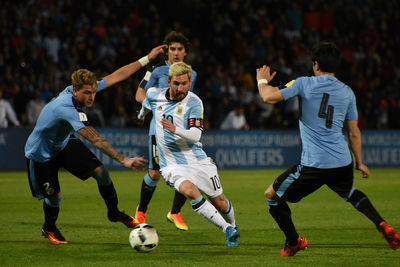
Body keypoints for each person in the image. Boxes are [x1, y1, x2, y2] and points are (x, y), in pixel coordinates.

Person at [256, 42, 400, 256]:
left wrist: (262, 80)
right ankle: (381, 222)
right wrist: (359, 162)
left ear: (315, 64)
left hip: (314, 163)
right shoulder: (348, 92)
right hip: (342, 161)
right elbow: (354, 133)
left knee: (271, 195)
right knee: (350, 193)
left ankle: (294, 241)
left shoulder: (304, 83)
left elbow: (268, 97)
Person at [24, 44, 166, 244]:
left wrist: (147, 59)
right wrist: (123, 159)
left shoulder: (82, 88)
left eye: (93, 91)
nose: (92, 97)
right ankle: (49, 227)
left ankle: (114, 212)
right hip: (40, 155)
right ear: (75, 91)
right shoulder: (66, 108)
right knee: (55, 196)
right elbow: (95, 139)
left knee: (101, 172)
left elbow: (118, 75)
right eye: (87, 93)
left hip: (62, 144)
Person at [138, 62, 240, 246]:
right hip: (170, 164)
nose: (180, 88)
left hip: (197, 160)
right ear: (169, 81)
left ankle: (233, 224)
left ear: (189, 81)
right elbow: (146, 104)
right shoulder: (154, 94)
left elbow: (196, 135)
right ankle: (227, 229)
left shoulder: (194, 102)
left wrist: (175, 129)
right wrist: (141, 115)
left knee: (221, 203)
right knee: (190, 191)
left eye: (184, 83)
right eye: (176, 83)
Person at [134, 31, 197, 231]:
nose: (176, 53)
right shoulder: (156, 70)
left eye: (180, 49)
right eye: (172, 49)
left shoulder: (191, 74)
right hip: (158, 129)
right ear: (167, 51)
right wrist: (152, 106)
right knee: (154, 173)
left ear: (185, 53)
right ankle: (141, 210)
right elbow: (139, 94)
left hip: (180, 130)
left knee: (187, 170)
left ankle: (175, 212)